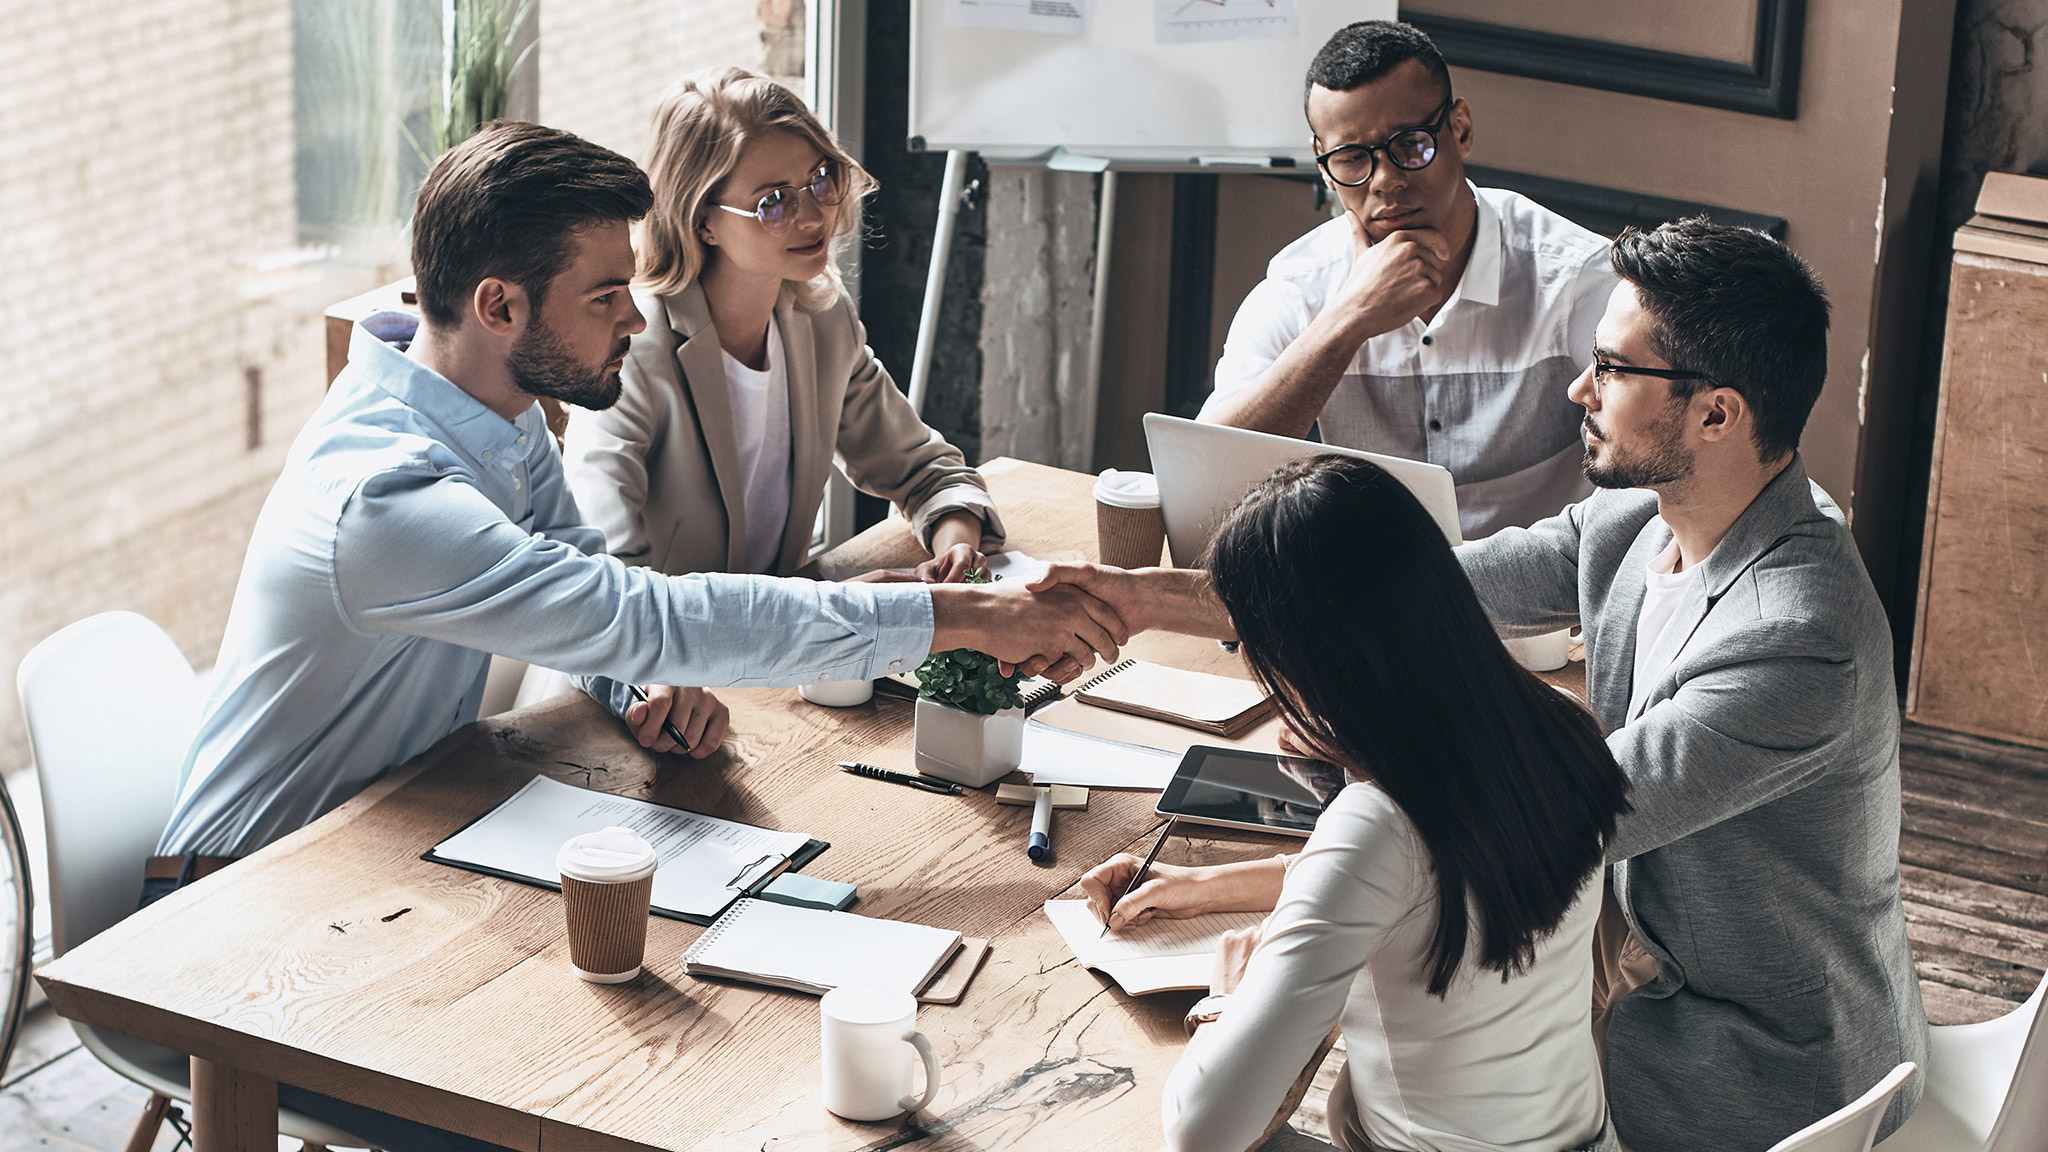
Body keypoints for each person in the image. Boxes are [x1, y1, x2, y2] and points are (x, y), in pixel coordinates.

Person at [1037, 219, 1927, 1151]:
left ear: (1718, 414)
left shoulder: (1799, 635)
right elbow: (1411, 592)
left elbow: (1523, 823)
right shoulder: (1634, 520)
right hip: (1610, 988)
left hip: (1744, 1068)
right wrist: (1140, 598)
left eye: (1614, 370)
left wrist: (1289, 898)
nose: (1580, 390)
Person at [1079, 454, 1631, 1152]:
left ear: (1312, 659)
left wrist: (1229, 996)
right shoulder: (1557, 726)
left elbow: (1203, 1132)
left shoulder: (1379, 830)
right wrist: (1209, 883)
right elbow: (1437, 886)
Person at [553, 67, 999, 727]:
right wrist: (658, 685)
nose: (815, 213)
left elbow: (922, 467)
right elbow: (598, 583)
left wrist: (955, 542)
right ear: (703, 219)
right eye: (772, 201)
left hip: (766, 688)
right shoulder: (632, 347)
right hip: (638, 704)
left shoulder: (820, 317)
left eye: (820, 178)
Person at [1200, 20, 1614, 541]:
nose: (1386, 180)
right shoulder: (1302, 287)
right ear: (1324, 167)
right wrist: (1348, 319)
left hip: (1533, 611)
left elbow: (1661, 454)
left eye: (1410, 144)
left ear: (1460, 128)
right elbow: (1211, 473)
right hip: (1364, 601)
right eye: (1352, 158)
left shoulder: (1572, 276)